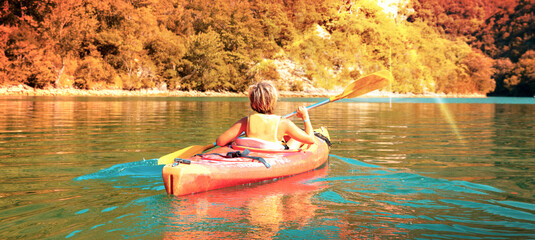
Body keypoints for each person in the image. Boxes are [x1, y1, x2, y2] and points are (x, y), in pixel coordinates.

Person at [216, 81, 315, 149]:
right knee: (296, 139)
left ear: (252, 102)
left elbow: (220, 141)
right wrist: (305, 117)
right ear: (273, 101)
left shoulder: (246, 122)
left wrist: (233, 142)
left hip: (253, 154)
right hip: (274, 158)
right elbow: (310, 140)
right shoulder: (283, 123)